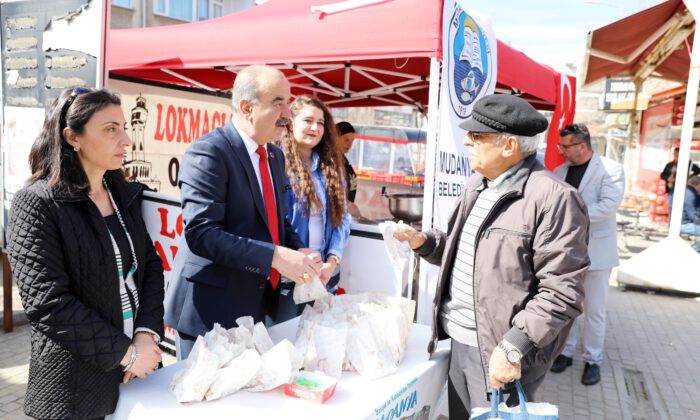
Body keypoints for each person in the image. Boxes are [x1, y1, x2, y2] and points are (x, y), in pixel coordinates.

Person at [394, 94, 589, 419]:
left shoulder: (556, 199)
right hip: (460, 342)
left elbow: (562, 291)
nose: (467, 141)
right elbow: (466, 254)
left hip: (501, 352)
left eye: (477, 135)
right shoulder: (478, 184)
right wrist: (425, 243)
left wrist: (514, 346)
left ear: (509, 146)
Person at [7, 87, 164, 419]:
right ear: (72, 137)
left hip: (137, 371)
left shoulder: (124, 195)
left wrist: (147, 334)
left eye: (124, 127)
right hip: (76, 388)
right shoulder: (36, 204)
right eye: (110, 129)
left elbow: (149, 266)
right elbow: (48, 304)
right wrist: (127, 353)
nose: (126, 140)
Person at [164, 65, 323, 360]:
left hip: (255, 308)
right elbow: (203, 235)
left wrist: (299, 248)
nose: (288, 113)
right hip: (209, 312)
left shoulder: (273, 155)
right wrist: (275, 256)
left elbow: (275, 221)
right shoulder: (209, 152)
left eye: (288, 103)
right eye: (279, 103)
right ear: (247, 107)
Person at [549, 123, 625, 386]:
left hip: (597, 253)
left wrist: (569, 215)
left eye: (565, 146)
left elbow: (608, 206)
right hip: (565, 254)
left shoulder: (611, 170)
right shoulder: (559, 172)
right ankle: (565, 353)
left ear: (582, 146)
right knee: (568, 308)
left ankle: (593, 360)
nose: (561, 152)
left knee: (594, 312)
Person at [277, 96, 351, 318]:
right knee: (285, 341)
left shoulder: (332, 167)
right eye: (308, 120)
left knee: (316, 343)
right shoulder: (276, 162)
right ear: (291, 122)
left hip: (323, 275)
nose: (315, 128)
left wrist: (332, 260)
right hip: (288, 275)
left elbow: (343, 218)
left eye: (320, 123)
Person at [336, 121, 362, 217]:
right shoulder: (327, 161)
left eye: (352, 141)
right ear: (335, 137)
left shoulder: (344, 161)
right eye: (346, 140)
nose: (350, 145)